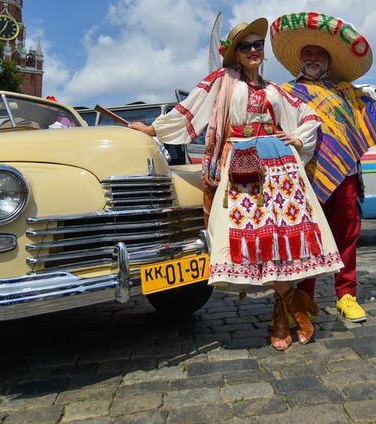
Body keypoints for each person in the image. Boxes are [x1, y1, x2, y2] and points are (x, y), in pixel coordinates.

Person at [128, 18, 342, 350]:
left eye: (259, 45)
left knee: (280, 242)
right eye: (246, 46)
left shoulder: (275, 90)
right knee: (248, 243)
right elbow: (190, 110)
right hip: (241, 167)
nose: (254, 50)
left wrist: (297, 141)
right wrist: (155, 130)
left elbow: (311, 117)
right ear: (235, 54)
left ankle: (282, 316)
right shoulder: (223, 80)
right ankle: (295, 305)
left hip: (280, 167)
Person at [271, 11, 376, 323]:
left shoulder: (347, 91)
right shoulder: (286, 93)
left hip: (344, 173)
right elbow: (268, 122)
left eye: (320, 54)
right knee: (307, 238)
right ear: (300, 60)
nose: (314, 58)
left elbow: (375, 113)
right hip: (304, 177)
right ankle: (300, 300)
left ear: (329, 60)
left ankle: (346, 295)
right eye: (308, 53)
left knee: (347, 235)